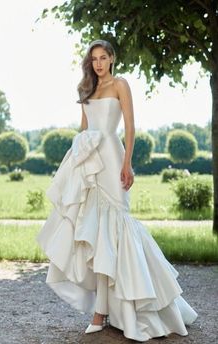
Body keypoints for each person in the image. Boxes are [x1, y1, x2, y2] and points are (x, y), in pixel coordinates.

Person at [36, 39, 198, 342]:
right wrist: (76, 163)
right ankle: (100, 311)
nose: (98, 63)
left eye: (103, 57)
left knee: (119, 226)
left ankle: (134, 306)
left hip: (112, 159)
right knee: (95, 234)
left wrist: (128, 164)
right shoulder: (85, 89)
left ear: (112, 59)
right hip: (89, 164)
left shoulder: (121, 84)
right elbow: (84, 129)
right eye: (94, 58)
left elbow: (130, 128)